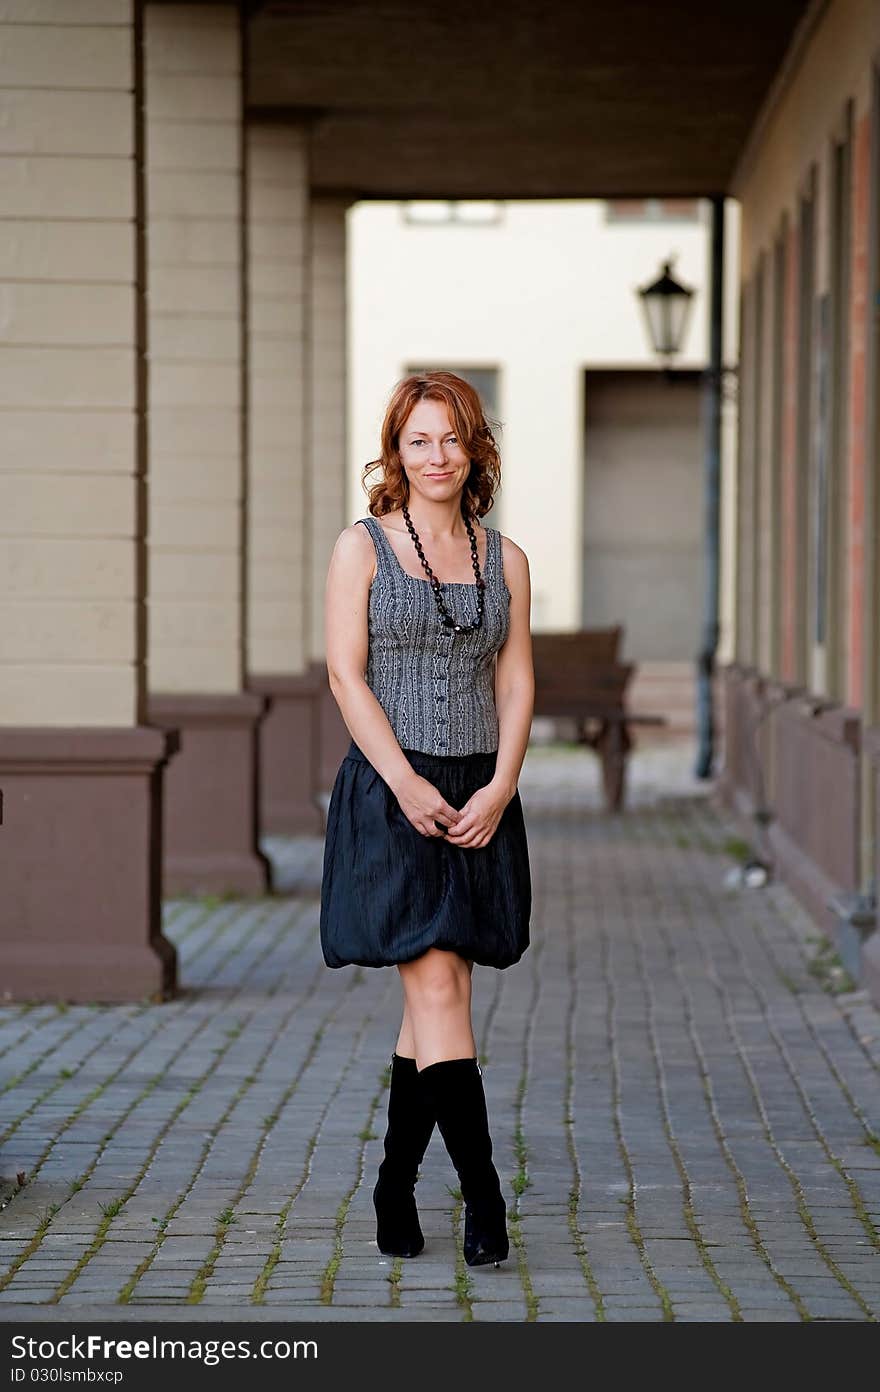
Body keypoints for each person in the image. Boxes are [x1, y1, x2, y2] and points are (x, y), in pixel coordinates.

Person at [319, 370, 533, 1268]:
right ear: (395, 451)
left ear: (474, 448)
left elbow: (517, 679)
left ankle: (393, 1185)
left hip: (481, 792)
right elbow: (345, 676)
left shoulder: (506, 556)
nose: (436, 457)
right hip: (392, 791)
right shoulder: (361, 547)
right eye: (419, 441)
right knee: (439, 989)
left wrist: (502, 785)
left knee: (438, 1003)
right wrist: (405, 782)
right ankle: (486, 1201)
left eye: (452, 439)